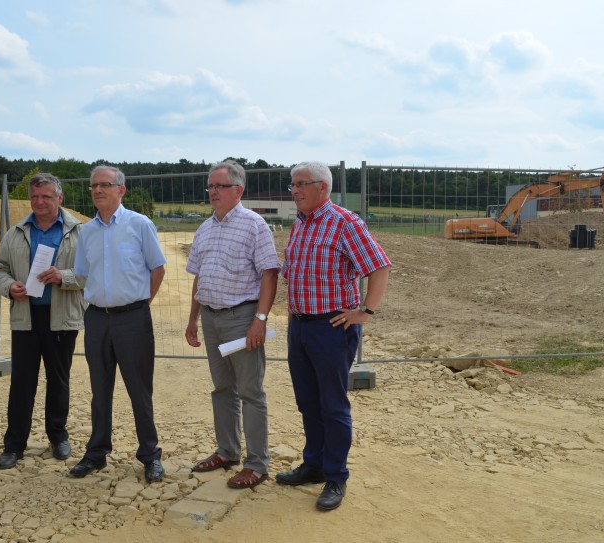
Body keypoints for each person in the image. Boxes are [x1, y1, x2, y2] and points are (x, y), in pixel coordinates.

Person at [278, 161, 391, 511]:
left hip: (332, 328)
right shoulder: (301, 223)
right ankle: (313, 464)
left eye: (301, 184)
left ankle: (336, 476)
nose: (294, 190)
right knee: (307, 401)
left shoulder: (344, 222)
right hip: (299, 326)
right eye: (292, 184)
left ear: (322, 187)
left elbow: (379, 265)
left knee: (332, 404)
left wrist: (365, 311)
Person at [185, 160, 279, 489]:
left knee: (250, 391)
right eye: (210, 186)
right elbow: (199, 277)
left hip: (242, 319)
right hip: (211, 318)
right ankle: (227, 451)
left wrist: (260, 320)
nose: (212, 192)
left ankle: (257, 464)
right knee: (222, 389)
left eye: (219, 186)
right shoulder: (205, 228)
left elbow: (270, 273)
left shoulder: (255, 225)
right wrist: (193, 320)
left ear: (238, 190)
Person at [70, 165, 167, 484]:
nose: (97, 190)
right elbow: (83, 274)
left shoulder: (139, 225)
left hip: (133, 318)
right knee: (100, 390)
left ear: (121, 190)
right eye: (93, 186)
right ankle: (97, 453)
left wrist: (139, 306)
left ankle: (150, 455)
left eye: (105, 185)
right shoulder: (87, 231)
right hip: (97, 318)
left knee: (140, 389)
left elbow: (157, 270)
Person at [0, 173, 86, 469]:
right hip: (26, 317)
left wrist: (64, 276)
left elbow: (92, 272)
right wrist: (9, 287)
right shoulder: (17, 232)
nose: (40, 202)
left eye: (46, 196)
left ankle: (58, 436)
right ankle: (14, 444)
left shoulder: (79, 232)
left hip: (62, 318)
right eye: (35, 197)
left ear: (60, 198)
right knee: (21, 382)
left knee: (58, 380)